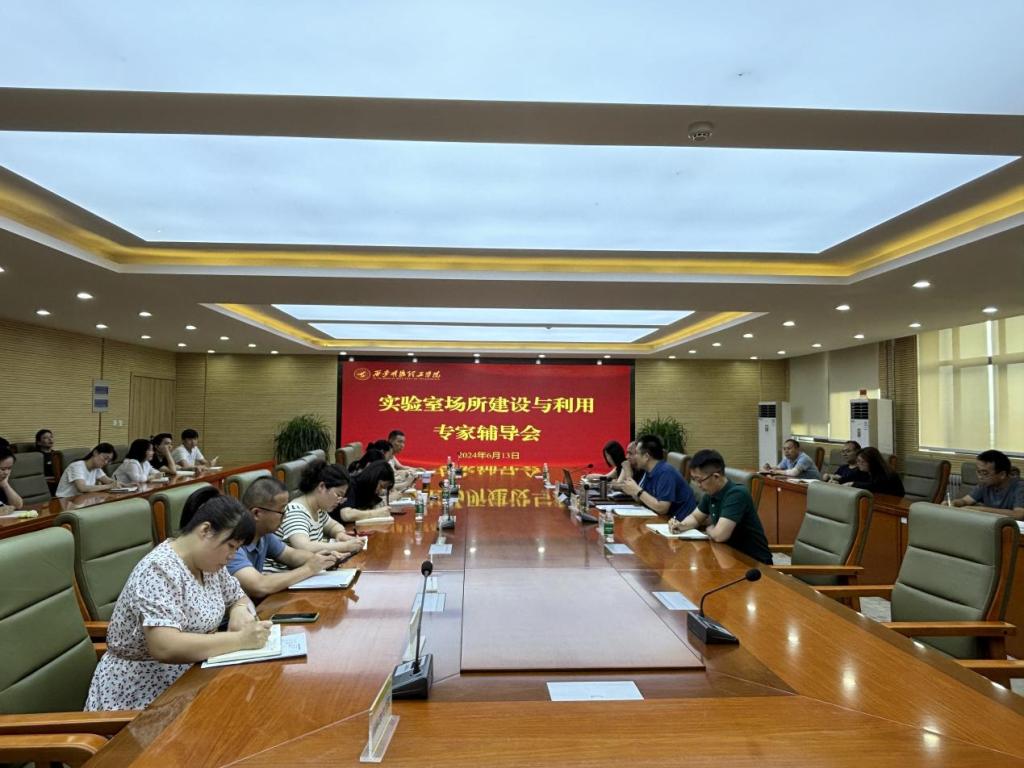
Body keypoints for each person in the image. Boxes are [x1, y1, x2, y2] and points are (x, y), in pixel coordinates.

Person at [84, 491, 270, 711]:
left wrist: (239, 610)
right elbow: (165, 646)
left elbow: (238, 596)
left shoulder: (209, 564)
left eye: (237, 549)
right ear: (205, 530)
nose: (232, 556)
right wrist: (239, 640)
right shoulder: (159, 569)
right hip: (142, 692)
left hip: (192, 676)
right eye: (231, 546)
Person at [228, 476, 349, 598]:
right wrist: (309, 569)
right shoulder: (233, 542)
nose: (285, 517)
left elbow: (291, 555)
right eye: (281, 512)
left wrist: (322, 559)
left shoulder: (264, 535)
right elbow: (259, 586)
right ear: (257, 513)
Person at [669, 449, 772, 565]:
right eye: (694, 480)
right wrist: (681, 525)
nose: (698, 485)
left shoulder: (737, 494)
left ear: (716, 476)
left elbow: (720, 535)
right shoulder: (711, 493)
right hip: (727, 556)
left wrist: (709, 529)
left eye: (699, 480)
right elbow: (695, 517)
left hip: (754, 563)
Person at [267, 460, 364, 570]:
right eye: (338, 495)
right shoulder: (296, 511)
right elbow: (303, 546)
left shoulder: (319, 510)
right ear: (321, 486)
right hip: (282, 573)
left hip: (306, 570)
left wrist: (340, 534)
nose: (339, 501)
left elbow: (333, 526)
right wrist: (345, 546)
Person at [619, 434, 697, 520]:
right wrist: (633, 490)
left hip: (680, 522)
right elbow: (643, 499)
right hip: (662, 519)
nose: (634, 457)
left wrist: (637, 490)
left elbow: (662, 508)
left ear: (646, 457)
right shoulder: (648, 471)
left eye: (636, 453)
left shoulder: (666, 472)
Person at [953, 449, 1024, 519]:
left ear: (1002, 474)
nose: (980, 477)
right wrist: (954, 503)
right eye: (978, 472)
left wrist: (980, 510)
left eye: (985, 473)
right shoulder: (984, 484)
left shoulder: (1020, 487)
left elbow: (1019, 514)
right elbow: (965, 501)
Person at [0, 447, 24, 511]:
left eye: (9, 468)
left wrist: (5, 485)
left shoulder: (2, 481)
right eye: (2, 469)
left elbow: (18, 505)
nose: (6, 472)